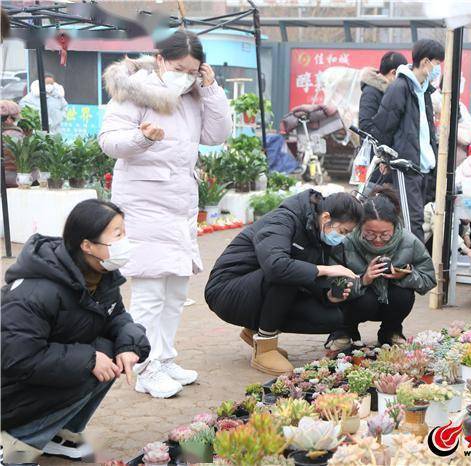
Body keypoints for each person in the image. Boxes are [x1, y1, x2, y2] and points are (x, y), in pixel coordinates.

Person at [98, 30, 232, 398]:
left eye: (193, 69)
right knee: (150, 289)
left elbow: (217, 134)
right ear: (159, 60)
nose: (185, 75)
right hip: (142, 201)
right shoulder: (135, 90)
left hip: (179, 203)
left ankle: (165, 356)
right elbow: (109, 141)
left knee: (174, 289)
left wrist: (210, 89)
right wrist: (144, 138)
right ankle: (143, 365)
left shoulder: (193, 93)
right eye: (178, 68)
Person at [1, 199, 150, 464]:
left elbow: (116, 318)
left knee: (110, 351)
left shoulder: (100, 275)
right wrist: (88, 359)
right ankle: (13, 444)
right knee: (95, 359)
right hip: (9, 385)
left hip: (33, 376)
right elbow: (17, 357)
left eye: (124, 233)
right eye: (117, 235)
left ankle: (59, 435)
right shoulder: (37, 290)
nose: (124, 242)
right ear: (87, 245)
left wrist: (128, 346)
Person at [205, 190, 362, 375]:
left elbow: (308, 273)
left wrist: (326, 295)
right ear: (326, 217)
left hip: (257, 289)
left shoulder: (316, 232)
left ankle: (254, 330)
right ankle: (265, 347)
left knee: (331, 318)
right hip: (226, 291)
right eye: (342, 231)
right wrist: (327, 269)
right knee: (285, 272)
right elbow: (276, 267)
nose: (341, 237)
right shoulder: (284, 219)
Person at [326, 187, 436, 350]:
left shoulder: (408, 241)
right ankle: (344, 332)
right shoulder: (346, 241)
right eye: (370, 234)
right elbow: (332, 287)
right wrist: (363, 279)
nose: (377, 240)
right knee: (366, 300)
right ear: (359, 226)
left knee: (402, 294)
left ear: (395, 226)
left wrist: (404, 276)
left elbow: (429, 279)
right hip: (359, 304)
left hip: (390, 301)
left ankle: (390, 332)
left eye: (385, 234)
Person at [372, 39, 445, 242]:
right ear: (425, 62)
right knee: (412, 221)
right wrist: (385, 160)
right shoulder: (400, 88)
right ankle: (415, 269)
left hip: (424, 166)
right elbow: (384, 126)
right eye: (437, 64)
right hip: (406, 166)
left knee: (419, 218)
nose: (438, 69)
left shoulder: (424, 90)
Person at [358, 51, 408, 141]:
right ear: (393, 73)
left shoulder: (393, 92)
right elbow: (365, 127)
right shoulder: (370, 92)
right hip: (376, 151)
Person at [1, 99, 23, 188]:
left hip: (7, 179)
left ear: (8, 119)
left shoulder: (10, 135)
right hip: (18, 179)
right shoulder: (20, 134)